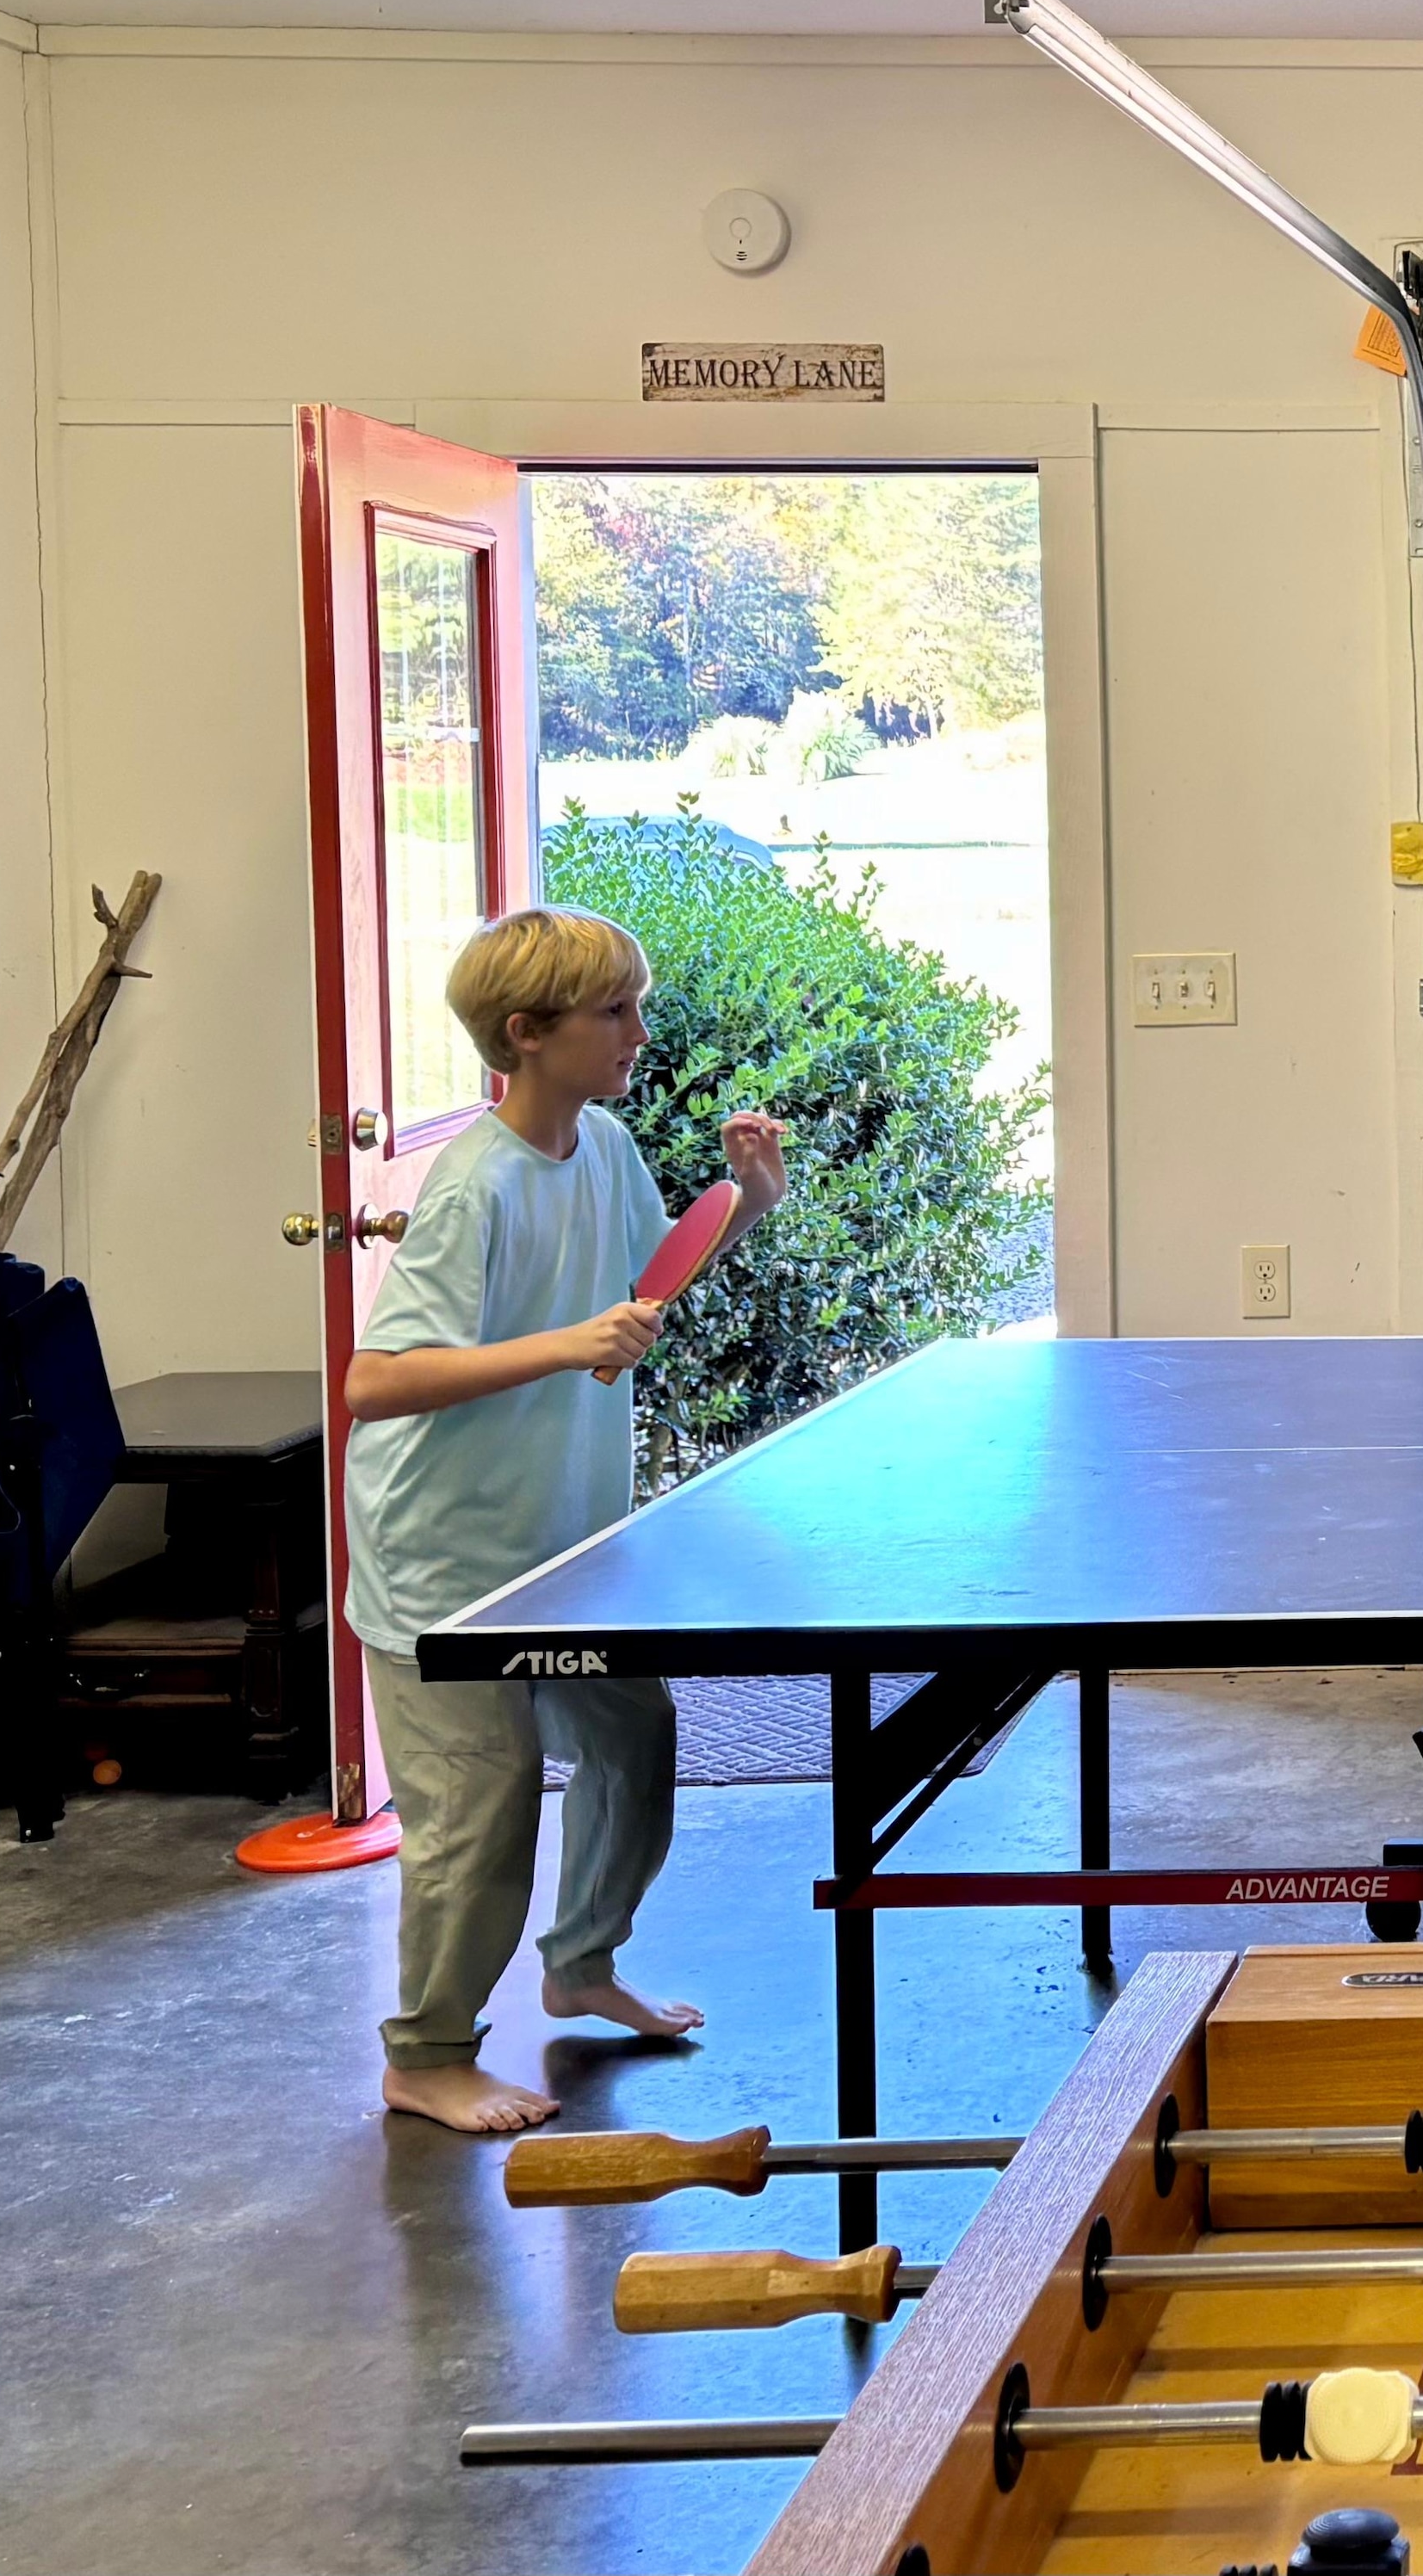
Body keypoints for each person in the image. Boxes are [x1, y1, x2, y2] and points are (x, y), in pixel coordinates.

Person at [345, 907, 787, 2134]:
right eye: (616, 1012)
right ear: (527, 1033)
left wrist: (748, 1201)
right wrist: (561, 1345)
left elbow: (642, 1289)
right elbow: (374, 1382)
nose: (640, 1031)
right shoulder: (471, 1187)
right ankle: (427, 2055)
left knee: (635, 1740)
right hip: (443, 1567)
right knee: (479, 1812)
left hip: (562, 1551)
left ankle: (581, 1965)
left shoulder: (604, 1144)